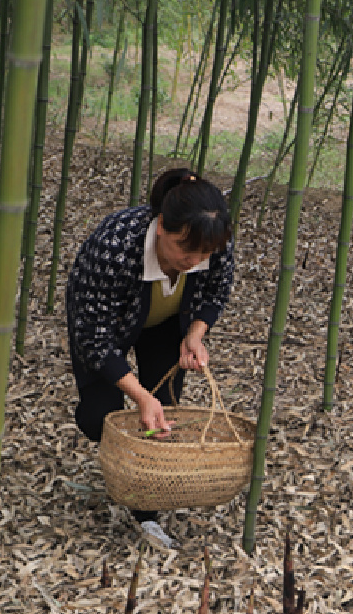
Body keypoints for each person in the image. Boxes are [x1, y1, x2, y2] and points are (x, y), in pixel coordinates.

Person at [66, 168, 235, 548]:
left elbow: (216, 290)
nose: (194, 260)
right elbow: (94, 337)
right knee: (100, 418)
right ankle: (117, 456)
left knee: (164, 413)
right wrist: (139, 395)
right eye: (184, 250)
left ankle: (148, 511)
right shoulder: (114, 245)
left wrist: (195, 334)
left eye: (204, 254)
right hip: (108, 324)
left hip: (168, 321)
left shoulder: (214, 239)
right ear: (161, 226)